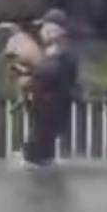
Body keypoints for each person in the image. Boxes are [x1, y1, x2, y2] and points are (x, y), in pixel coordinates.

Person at [21, 12, 81, 166]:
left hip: (50, 111)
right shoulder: (57, 51)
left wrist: (32, 75)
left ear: (58, 30)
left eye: (47, 28)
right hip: (47, 111)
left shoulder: (61, 52)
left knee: (36, 155)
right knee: (40, 152)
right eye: (43, 28)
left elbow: (49, 74)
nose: (42, 31)